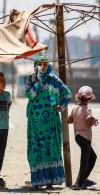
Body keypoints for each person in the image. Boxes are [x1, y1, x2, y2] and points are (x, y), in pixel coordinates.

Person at [25, 56, 71, 189]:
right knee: (36, 149)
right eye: (39, 65)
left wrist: (60, 107)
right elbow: (30, 95)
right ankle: (38, 181)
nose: (42, 67)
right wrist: (40, 80)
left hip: (51, 121)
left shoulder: (54, 80)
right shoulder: (29, 80)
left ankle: (50, 181)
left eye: (44, 64)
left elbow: (67, 94)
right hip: (35, 122)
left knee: (51, 149)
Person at [67, 85, 99, 190]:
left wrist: (78, 119)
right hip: (85, 138)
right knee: (84, 161)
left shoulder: (74, 108)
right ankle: (78, 183)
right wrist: (93, 121)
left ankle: (83, 178)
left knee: (92, 157)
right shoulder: (88, 109)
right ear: (90, 98)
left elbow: (69, 120)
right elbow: (88, 123)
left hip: (77, 137)